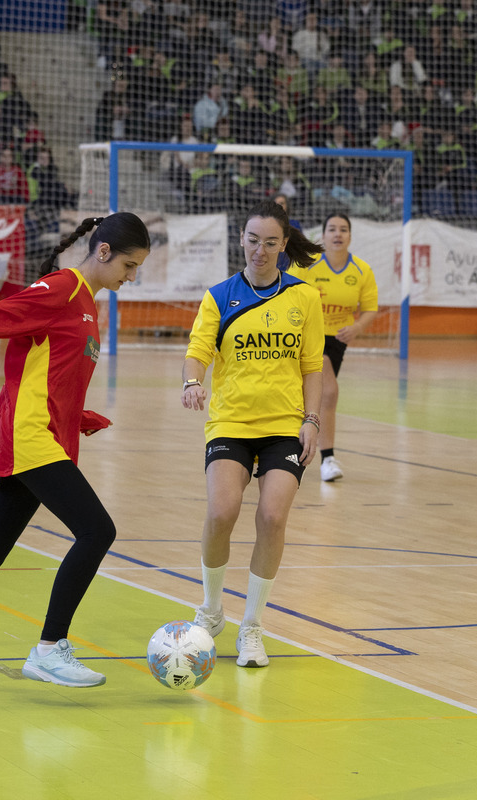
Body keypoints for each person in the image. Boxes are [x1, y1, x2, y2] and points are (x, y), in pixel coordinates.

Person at [0, 212, 151, 691]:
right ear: (103, 252)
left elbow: (51, 374)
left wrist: (80, 417)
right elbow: (4, 314)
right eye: (129, 264)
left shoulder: (87, 305)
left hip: (46, 436)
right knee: (97, 530)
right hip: (30, 436)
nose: (132, 276)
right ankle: (49, 650)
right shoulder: (61, 288)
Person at [182, 199, 323, 669]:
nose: (259, 250)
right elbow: (198, 351)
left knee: (272, 518)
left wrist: (312, 420)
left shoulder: (303, 298)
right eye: (252, 240)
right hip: (231, 422)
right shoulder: (220, 295)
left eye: (270, 242)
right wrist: (191, 381)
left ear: (284, 246)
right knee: (222, 511)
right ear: (240, 240)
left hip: (285, 425)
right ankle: (212, 610)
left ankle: (252, 627)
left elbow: (312, 368)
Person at [288, 213, 379, 482]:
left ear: (350, 236)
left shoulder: (362, 270)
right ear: (323, 235)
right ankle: (327, 458)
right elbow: (287, 292)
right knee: (328, 391)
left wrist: (358, 327)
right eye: (332, 229)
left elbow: (371, 308)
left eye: (343, 229)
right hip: (307, 335)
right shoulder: (308, 264)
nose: (337, 234)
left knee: (307, 396)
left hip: (337, 339)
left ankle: (288, 446)